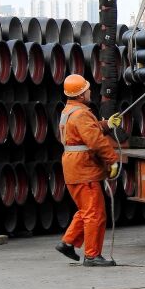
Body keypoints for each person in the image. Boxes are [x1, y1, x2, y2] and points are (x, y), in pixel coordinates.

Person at [54, 74, 122, 267]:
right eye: (87, 89)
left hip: (74, 168)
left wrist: (106, 124)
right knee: (95, 213)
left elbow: (87, 131)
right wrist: (112, 161)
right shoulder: (81, 113)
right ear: (81, 94)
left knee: (86, 210)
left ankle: (68, 243)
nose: (90, 91)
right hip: (85, 170)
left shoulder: (70, 110)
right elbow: (95, 141)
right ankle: (92, 256)